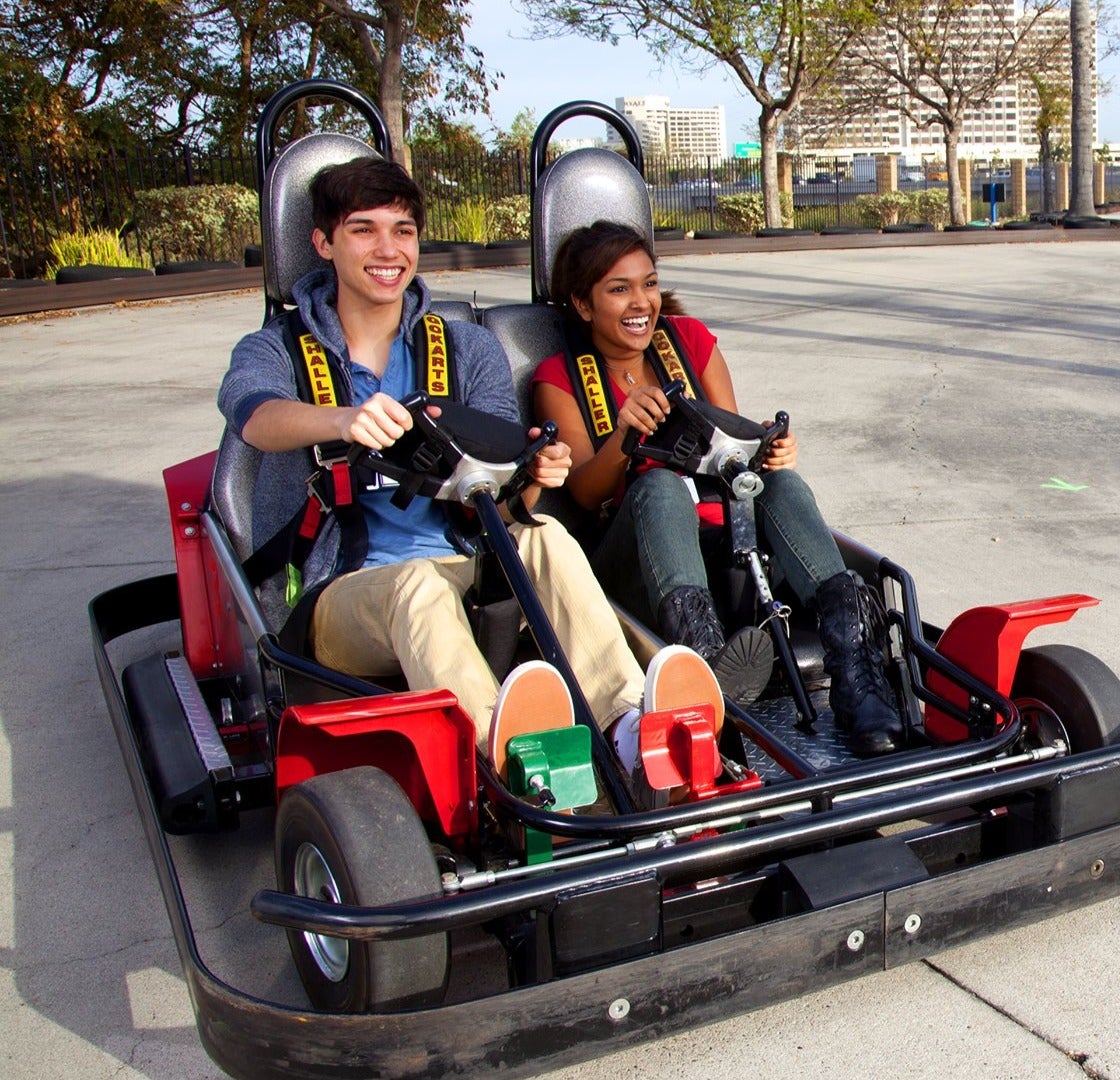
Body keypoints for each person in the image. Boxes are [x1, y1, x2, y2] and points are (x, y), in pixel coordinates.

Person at [217, 159, 685, 782]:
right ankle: (505, 757)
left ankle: (629, 726)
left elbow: (501, 484)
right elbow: (253, 416)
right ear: (323, 243)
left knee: (544, 537)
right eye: (364, 230)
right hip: (344, 592)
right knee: (418, 587)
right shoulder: (275, 347)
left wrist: (533, 476)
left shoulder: (465, 348)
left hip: (465, 563)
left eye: (403, 230)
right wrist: (339, 420)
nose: (388, 250)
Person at [529, 219, 904, 755]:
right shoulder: (559, 377)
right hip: (631, 561)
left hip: (723, 541)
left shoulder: (689, 342)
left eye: (649, 283)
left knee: (781, 485)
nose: (641, 302)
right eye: (619, 289)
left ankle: (857, 674)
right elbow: (586, 495)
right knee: (658, 486)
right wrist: (624, 434)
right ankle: (705, 675)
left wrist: (770, 452)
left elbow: (733, 442)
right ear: (583, 304)